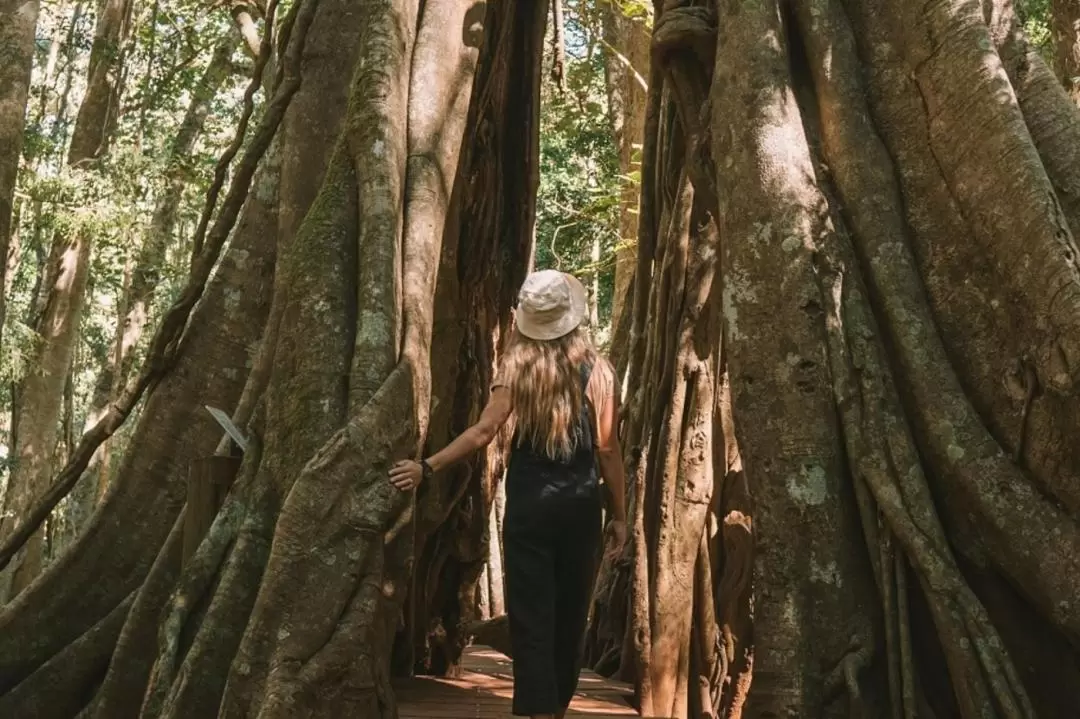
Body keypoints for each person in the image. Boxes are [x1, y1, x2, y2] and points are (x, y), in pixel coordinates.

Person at [389, 269, 628, 719]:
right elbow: (609, 450)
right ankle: (555, 709)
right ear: (572, 320)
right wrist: (619, 514)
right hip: (579, 508)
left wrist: (426, 466)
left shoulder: (516, 368)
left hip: (529, 508)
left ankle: (537, 710)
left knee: (531, 614)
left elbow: (482, 432)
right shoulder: (600, 371)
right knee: (572, 612)